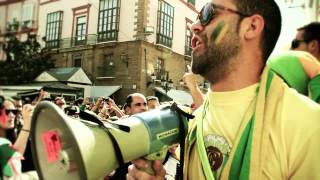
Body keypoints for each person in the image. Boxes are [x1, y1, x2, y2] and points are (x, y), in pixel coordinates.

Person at [127, 0, 320, 180]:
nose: (194, 27)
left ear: (251, 27)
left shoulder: (307, 125)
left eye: (209, 14)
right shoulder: (195, 121)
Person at [0, 96, 37, 179]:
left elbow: (16, 153)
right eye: (7, 112)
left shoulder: (8, 140)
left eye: (14, 111)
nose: (12, 115)